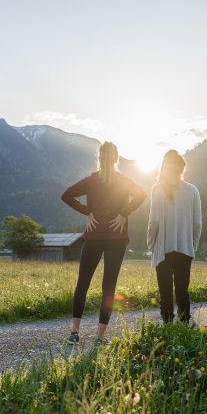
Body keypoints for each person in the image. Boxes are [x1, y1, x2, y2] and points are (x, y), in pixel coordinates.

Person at [61, 141, 146, 347]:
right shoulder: (123, 181)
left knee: (83, 283)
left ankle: (74, 333)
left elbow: (66, 196)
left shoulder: (92, 180)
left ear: (99, 158)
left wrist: (87, 212)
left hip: (94, 235)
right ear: (117, 159)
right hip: (116, 238)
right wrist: (123, 213)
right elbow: (142, 195)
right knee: (109, 287)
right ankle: (99, 338)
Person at [147, 150, 202, 324]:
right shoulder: (192, 191)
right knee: (182, 290)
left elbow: (153, 221)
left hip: (163, 249)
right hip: (185, 249)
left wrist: (151, 245)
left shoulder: (157, 191)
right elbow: (197, 224)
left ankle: (168, 326)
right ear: (181, 168)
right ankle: (185, 326)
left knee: (165, 291)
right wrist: (192, 245)